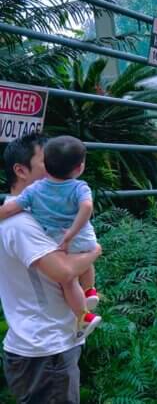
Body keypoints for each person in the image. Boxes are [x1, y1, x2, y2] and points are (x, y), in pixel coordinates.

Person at [1, 133, 103, 404]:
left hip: (46, 344)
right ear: (21, 171)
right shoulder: (22, 224)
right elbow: (64, 272)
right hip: (46, 348)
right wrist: (95, 252)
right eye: (46, 162)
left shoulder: (34, 213)